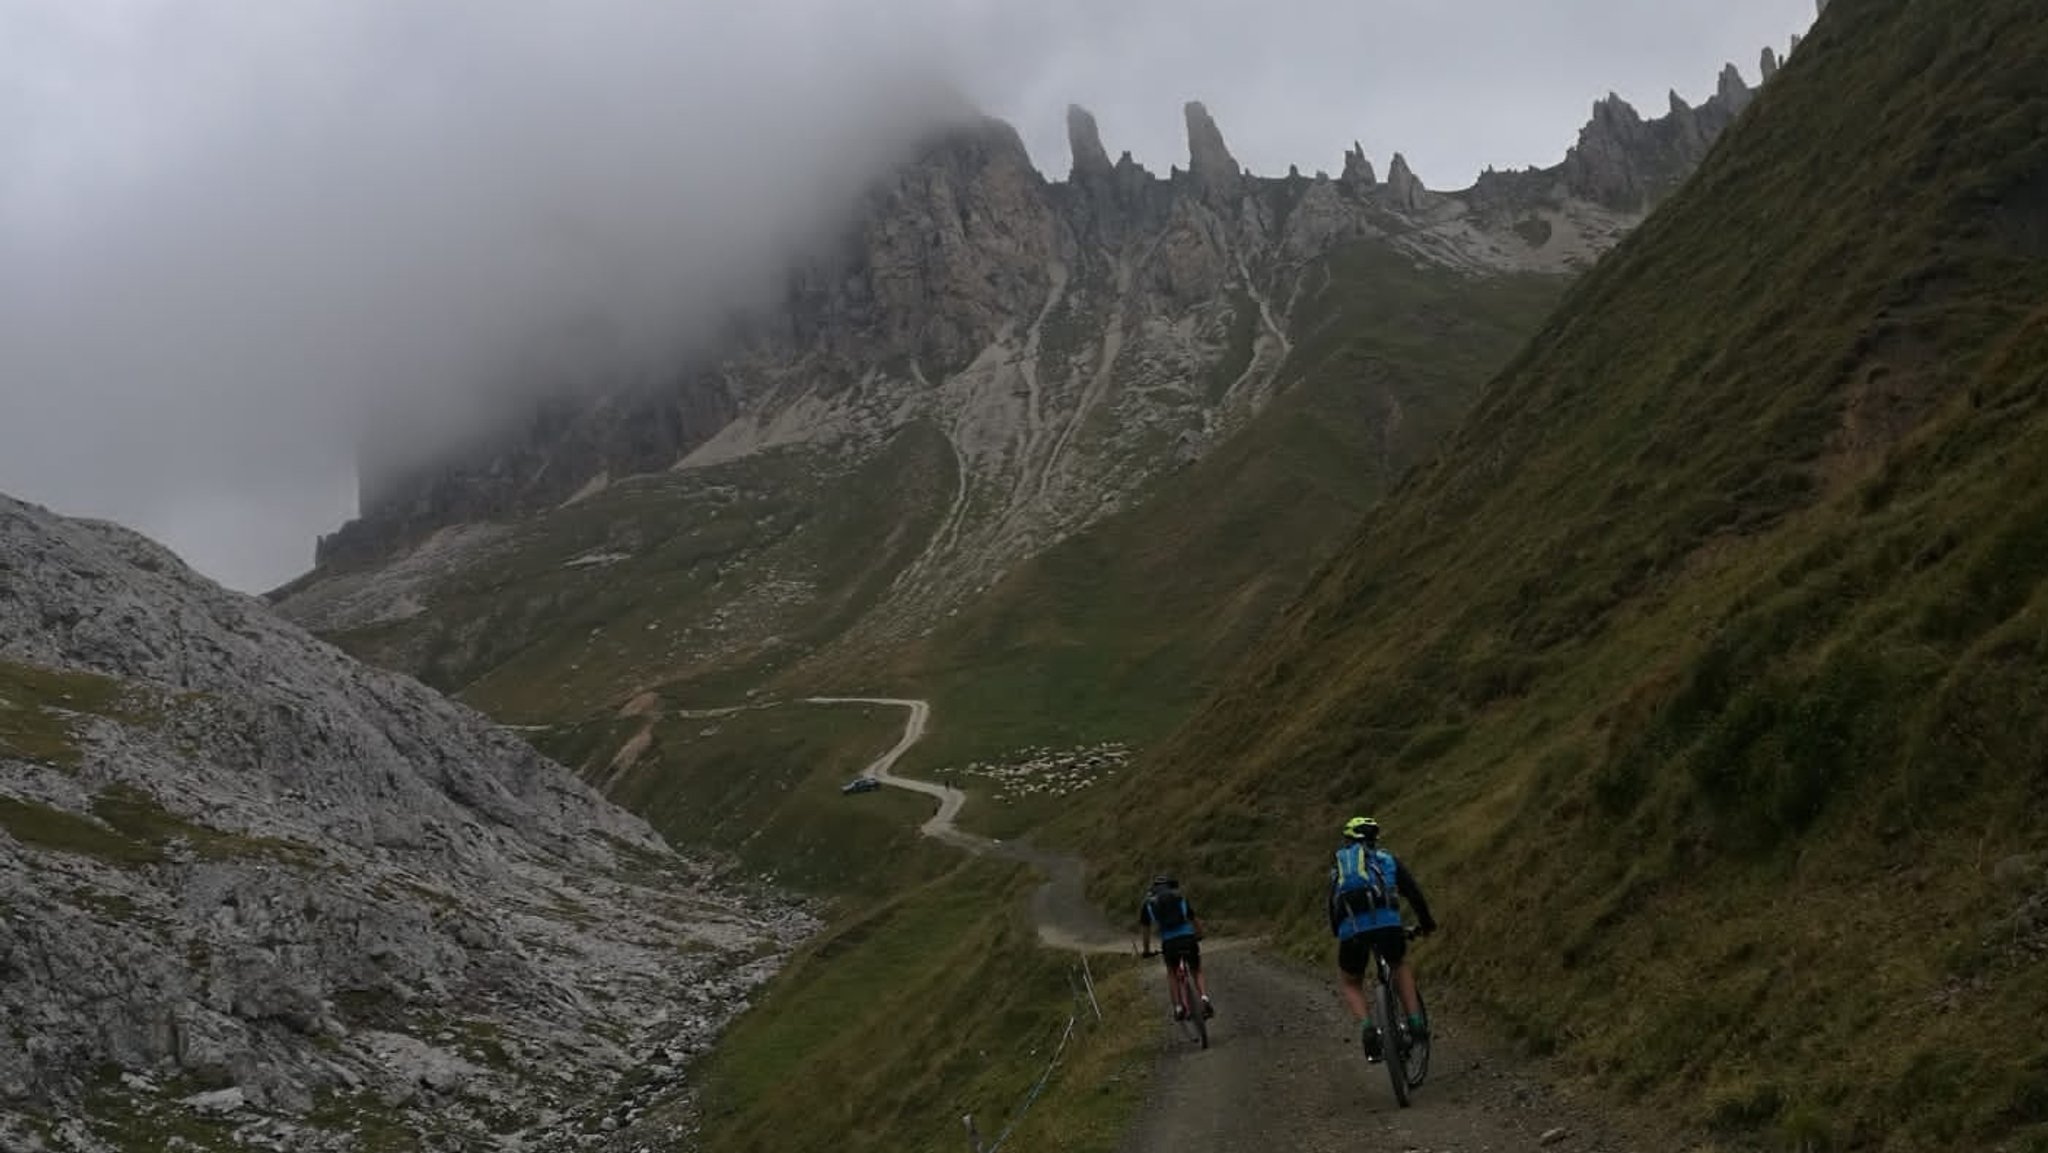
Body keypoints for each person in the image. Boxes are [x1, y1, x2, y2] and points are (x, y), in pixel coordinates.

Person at [1328, 816, 1436, 1061]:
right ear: (1374, 839)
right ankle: (1416, 1022)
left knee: (1350, 981)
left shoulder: (1340, 867)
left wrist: (1340, 932)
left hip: (1352, 931)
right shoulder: (1387, 860)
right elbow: (1414, 894)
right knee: (1398, 964)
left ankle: (1367, 1028)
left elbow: (1332, 906)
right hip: (1388, 925)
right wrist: (1427, 924)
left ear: (1348, 840)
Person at [1139, 874, 1213, 1020]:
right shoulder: (1179, 897)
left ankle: (1179, 1007)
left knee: (1172, 973)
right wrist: (1199, 934)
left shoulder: (1148, 904)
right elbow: (1193, 918)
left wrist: (1146, 951)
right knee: (1196, 970)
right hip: (1188, 938)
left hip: (1169, 943)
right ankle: (1204, 998)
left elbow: (1145, 932)